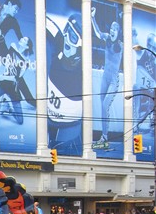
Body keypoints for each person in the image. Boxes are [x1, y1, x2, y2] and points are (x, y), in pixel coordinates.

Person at [46, 12, 83, 155]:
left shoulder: (82, 71)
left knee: (62, 155)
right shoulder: (59, 42)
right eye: (67, 29)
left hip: (69, 127)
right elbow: (46, 22)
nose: (67, 37)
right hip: (48, 118)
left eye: (73, 37)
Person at [91, 9, 123, 150]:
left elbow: (118, 46)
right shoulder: (107, 38)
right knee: (102, 106)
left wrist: (122, 17)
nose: (112, 31)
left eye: (115, 29)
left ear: (118, 32)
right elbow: (98, 33)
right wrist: (92, 18)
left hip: (113, 81)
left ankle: (105, 138)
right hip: (105, 77)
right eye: (111, 28)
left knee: (105, 106)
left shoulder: (119, 45)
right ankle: (104, 138)